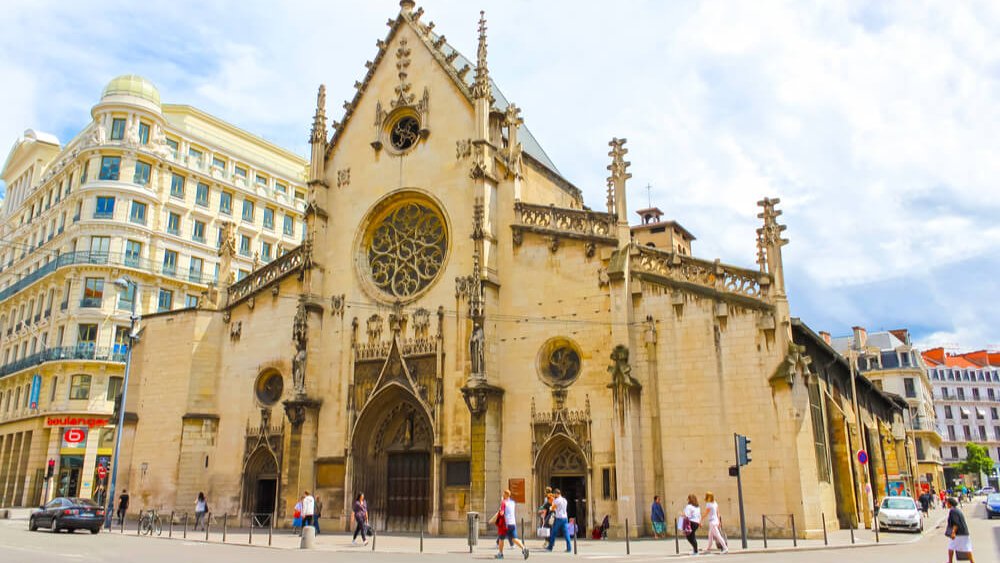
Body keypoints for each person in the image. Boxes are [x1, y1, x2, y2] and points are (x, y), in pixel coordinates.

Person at [493, 489, 529, 560]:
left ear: (505, 495)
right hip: (513, 523)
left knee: (501, 539)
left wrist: (501, 507)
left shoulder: (503, 502)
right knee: (514, 538)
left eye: (503, 494)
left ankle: (500, 554)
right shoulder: (513, 502)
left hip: (505, 524)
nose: (502, 495)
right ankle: (524, 548)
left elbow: (502, 513)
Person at [945, 497, 975, 563]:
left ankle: (950, 561)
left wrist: (953, 532)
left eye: (947, 503)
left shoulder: (953, 511)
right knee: (966, 548)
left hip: (958, 533)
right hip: (964, 532)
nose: (946, 504)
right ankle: (972, 561)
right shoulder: (957, 510)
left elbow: (956, 523)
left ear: (950, 504)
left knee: (951, 547)